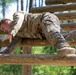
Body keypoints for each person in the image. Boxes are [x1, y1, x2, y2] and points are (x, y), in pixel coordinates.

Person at [0, 11, 75, 57]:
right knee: (66, 37)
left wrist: (11, 33)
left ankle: (64, 47)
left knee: (51, 32)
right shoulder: (17, 35)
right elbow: (11, 47)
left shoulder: (17, 15)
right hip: (46, 33)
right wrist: (2, 53)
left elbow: (18, 22)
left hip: (46, 19)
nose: (4, 31)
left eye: (3, 28)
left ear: (7, 22)